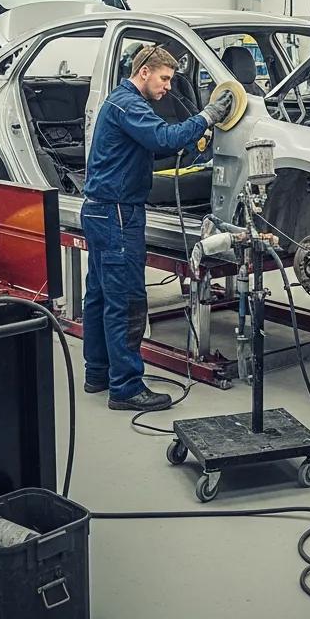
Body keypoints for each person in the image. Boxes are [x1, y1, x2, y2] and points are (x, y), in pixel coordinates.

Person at [82, 45, 235, 412]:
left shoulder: (124, 103)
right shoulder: (129, 104)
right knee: (126, 301)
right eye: (164, 78)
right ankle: (126, 388)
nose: (168, 86)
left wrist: (190, 135)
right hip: (118, 214)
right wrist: (208, 116)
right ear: (144, 72)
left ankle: (98, 373)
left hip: (103, 211)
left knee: (100, 296)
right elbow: (163, 138)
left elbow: (157, 144)